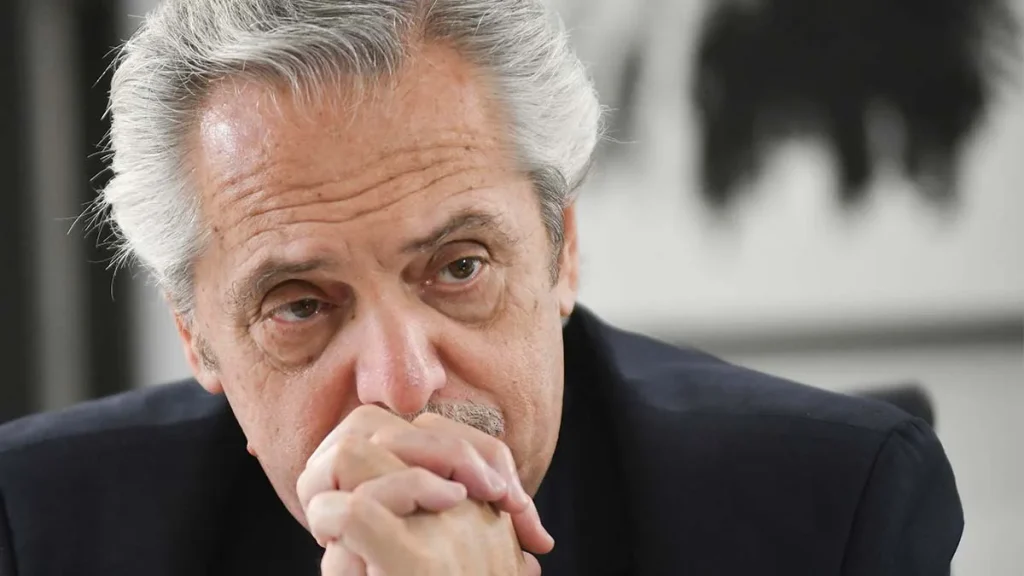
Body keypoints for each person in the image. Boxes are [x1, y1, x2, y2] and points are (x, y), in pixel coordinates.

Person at [0, 1, 963, 575]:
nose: (401, 386)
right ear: (198, 338)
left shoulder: (831, 510)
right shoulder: (38, 527)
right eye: (300, 305)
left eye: (458, 267)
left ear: (561, 252)